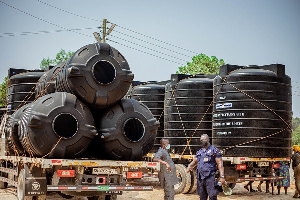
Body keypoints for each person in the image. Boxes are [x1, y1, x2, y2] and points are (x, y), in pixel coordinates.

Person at [186, 134, 225, 200]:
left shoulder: (215, 151)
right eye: (201, 140)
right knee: (202, 197)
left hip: (210, 177)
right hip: (201, 178)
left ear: (208, 140)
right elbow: (195, 161)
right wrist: (189, 166)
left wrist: (222, 177)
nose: (203, 141)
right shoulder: (199, 152)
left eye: (204, 140)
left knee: (212, 196)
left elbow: (220, 164)